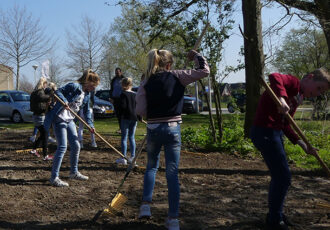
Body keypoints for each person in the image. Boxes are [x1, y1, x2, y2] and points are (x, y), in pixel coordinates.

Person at [135, 49, 209, 230]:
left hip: (153, 128)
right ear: (169, 65)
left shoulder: (146, 80)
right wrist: (197, 56)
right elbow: (204, 70)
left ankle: (145, 206)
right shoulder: (178, 76)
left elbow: (140, 110)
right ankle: (173, 219)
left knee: (151, 167)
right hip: (172, 129)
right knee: (172, 173)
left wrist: (149, 116)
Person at [250, 68, 330, 230]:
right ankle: (274, 219)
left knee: (281, 176)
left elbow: (287, 125)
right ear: (309, 77)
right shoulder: (293, 83)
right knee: (283, 176)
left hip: (275, 133)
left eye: (322, 92)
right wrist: (282, 98)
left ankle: (275, 214)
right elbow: (274, 76)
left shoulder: (298, 98)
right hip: (264, 131)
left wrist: (304, 146)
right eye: (319, 88)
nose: (318, 93)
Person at [45, 69, 100, 187]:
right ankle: (54, 177)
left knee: (76, 145)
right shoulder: (74, 86)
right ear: (88, 81)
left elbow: (86, 112)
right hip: (59, 118)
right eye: (94, 85)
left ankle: (73, 172)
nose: (94, 88)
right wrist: (64, 101)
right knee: (62, 147)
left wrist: (90, 125)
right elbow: (58, 92)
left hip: (70, 120)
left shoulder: (87, 94)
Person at [115, 77, 138, 165]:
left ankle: (123, 158)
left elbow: (123, 107)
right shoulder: (135, 94)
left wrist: (120, 115)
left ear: (123, 85)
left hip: (125, 118)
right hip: (134, 118)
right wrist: (139, 117)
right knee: (132, 137)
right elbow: (137, 106)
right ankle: (133, 157)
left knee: (124, 137)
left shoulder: (123, 94)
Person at [29, 77, 53, 160]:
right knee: (45, 135)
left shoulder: (35, 92)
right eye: (45, 84)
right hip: (39, 116)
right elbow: (43, 97)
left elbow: (42, 100)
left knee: (42, 135)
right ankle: (45, 156)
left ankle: (34, 150)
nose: (45, 86)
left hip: (38, 116)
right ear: (43, 84)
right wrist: (51, 94)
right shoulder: (39, 92)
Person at [110, 67, 124, 133]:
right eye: (116, 73)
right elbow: (111, 89)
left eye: (118, 73)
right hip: (115, 99)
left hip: (122, 99)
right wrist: (111, 98)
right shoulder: (113, 80)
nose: (117, 74)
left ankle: (124, 128)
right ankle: (121, 128)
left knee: (122, 114)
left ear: (121, 72)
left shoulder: (124, 79)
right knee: (118, 115)